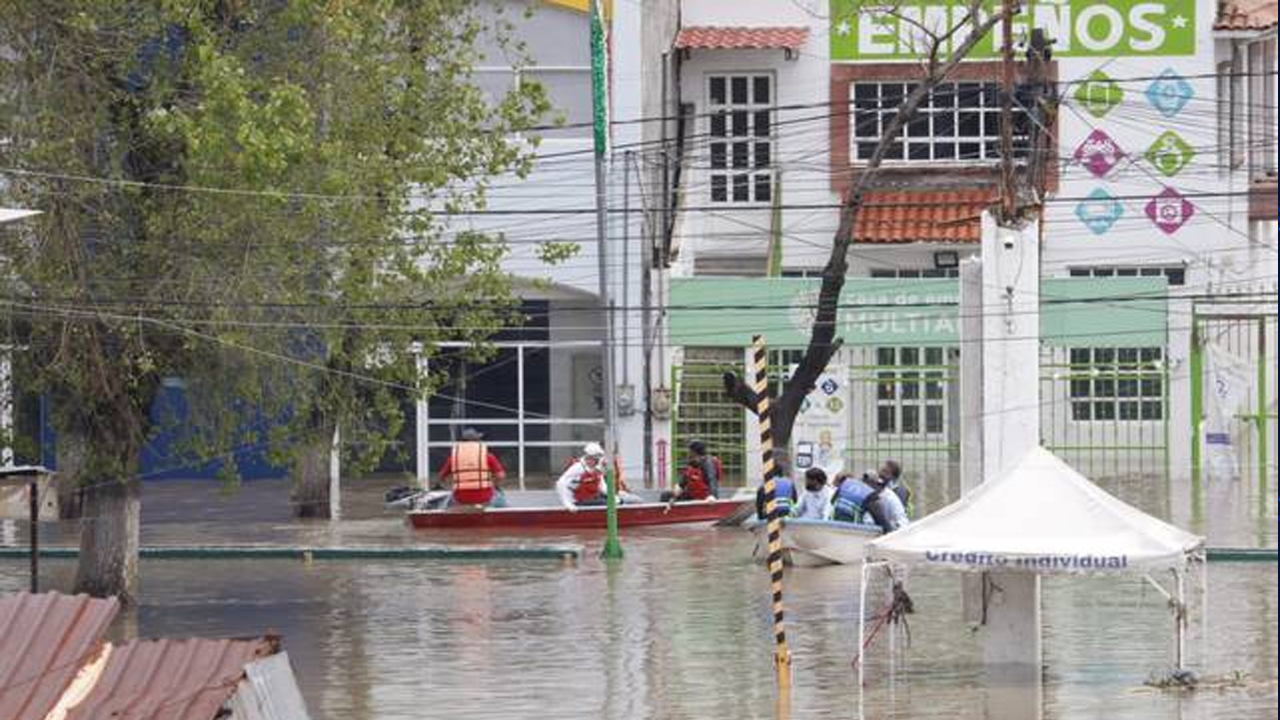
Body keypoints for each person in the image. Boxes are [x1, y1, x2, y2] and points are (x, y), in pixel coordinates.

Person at [437, 428, 506, 507]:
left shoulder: (454, 457)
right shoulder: (487, 456)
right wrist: (493, 484)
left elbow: (441, 477)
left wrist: (452, 484)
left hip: (460, 499)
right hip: (485, 498)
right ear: (478, 441)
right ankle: (510, 517)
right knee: (500, 496)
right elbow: (501, 476)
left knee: (446, 502)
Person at [556, 442, 611, 511]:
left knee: (617, 501)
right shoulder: (578, 468)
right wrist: (567, 503)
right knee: (607, 503)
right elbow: (560, 483)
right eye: (598, 457)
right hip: (578, 501)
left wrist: (613, 496)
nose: (600, 460)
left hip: (592, 498)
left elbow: (602, 486)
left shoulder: (597, 469)